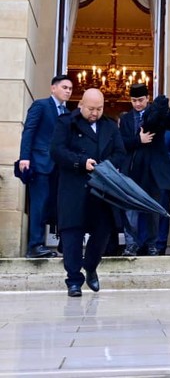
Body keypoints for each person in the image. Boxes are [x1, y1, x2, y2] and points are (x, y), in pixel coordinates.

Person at [50, 88, 125, 296]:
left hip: (102, 188)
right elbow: (56, 151)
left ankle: (91, 266)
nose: (95, 113)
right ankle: (73, 280)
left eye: (99, 109)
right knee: (73, 233)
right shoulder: (67, 123)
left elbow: (120, 153)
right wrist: (81, 162)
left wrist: (105, 166)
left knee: (103, 229)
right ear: (81, 104)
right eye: (91, 108)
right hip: (74, 186)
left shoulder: (109, 126)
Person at [119, 84, 170, 256]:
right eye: (133, 100)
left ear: (147, 98)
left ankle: (152, 245)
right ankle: (131, 245)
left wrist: (165, 109)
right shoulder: (125, 119)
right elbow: (121, 144)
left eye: (140, 100)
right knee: (130, 208)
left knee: (153, 208)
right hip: (132, 169)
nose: (137, 104)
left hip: (153, 169)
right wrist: (138, 139)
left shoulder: (157, 114)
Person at [18, 74, 73, 258]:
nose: (68, 91)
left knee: (53, 207)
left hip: (58, 167)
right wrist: (24, 157)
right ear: (53, 88)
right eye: (65, 87)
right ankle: (35, 245)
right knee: (38, 205)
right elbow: (29, 131)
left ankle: (52, 245)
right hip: (40, 163)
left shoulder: (66, 113)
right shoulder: (41, 105)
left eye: (70, 89)